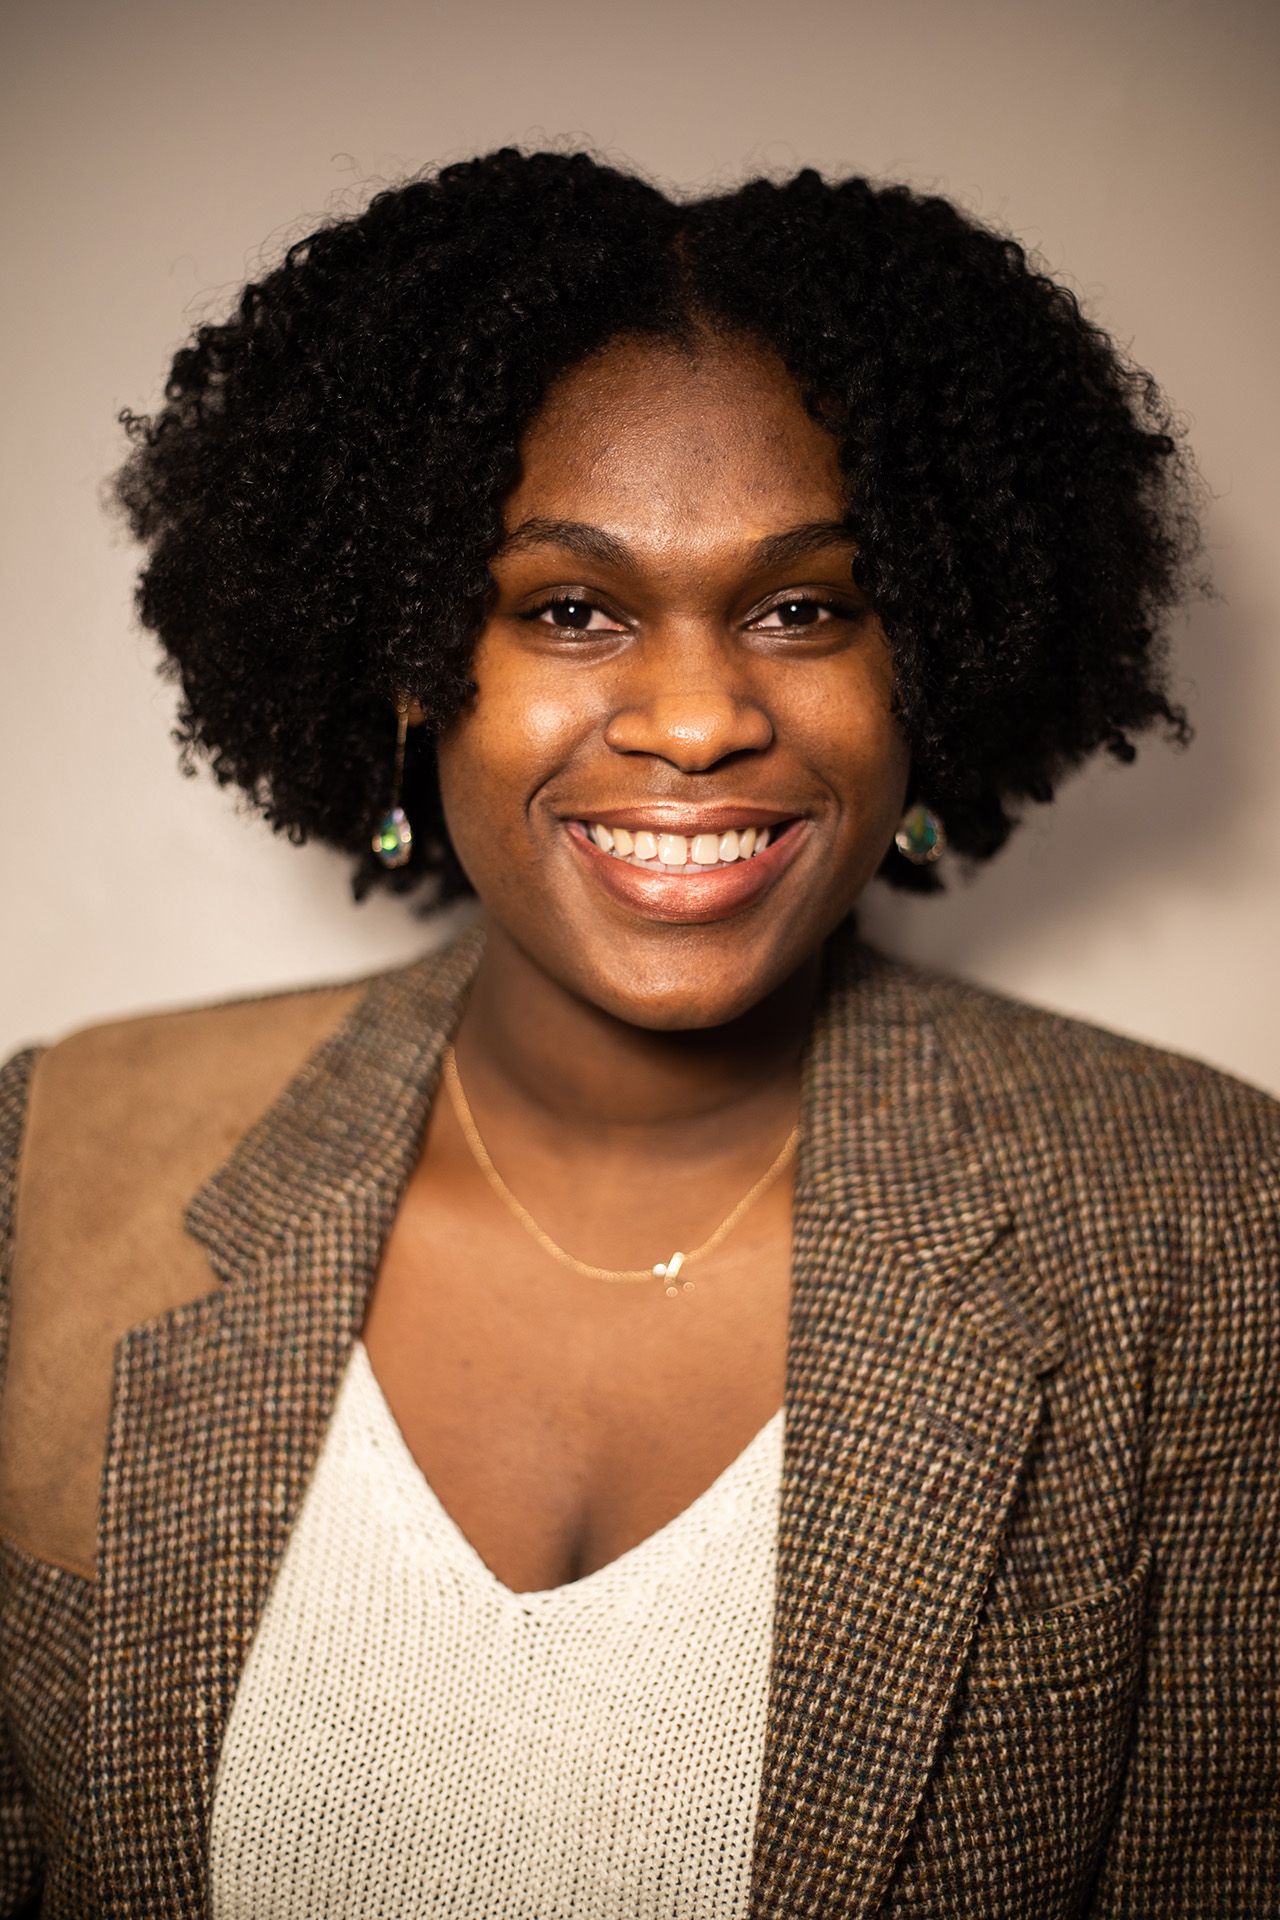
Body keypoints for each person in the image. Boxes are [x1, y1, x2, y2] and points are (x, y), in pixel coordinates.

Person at [0, 148, 1274, 1920]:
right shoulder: (61, 1157)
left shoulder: (1212, 1228)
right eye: (569, 609)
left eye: (804, 608)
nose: (694, 719)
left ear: (930, 665)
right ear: (406, 659)